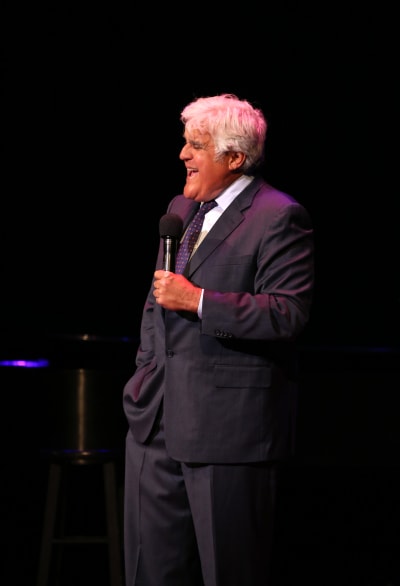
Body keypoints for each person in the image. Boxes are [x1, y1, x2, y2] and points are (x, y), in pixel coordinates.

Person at [122, 93, 314, 586]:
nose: (183, 154)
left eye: (196, 145)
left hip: (228, 433)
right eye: (184, 143)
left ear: (233, 157)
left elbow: (287, 312)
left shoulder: (277, 215)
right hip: (156, 420)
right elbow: (157, 301)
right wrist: (145, 374)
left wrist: (201, 301)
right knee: (151, 572)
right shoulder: (180, 209)